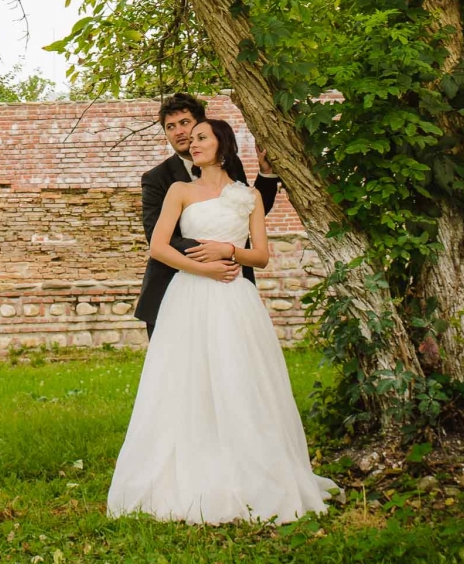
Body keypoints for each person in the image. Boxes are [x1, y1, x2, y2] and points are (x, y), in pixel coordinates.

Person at [108, 119, 336, 525]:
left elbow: (261, 256)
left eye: (200, 137)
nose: (191, 143)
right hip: (188, 297)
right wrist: (204, 269)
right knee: (185, 381)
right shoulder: (179, 190)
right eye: (187, 138)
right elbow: (159, 247)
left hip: (235, 300)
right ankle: (187, 469)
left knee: (239, 378)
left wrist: (228, 250)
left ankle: (249, 467)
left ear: (222, 144)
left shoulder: (248, 196)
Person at [134, 92, 280, 340]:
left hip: (230, 284)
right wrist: (212, 252)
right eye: (170, 127)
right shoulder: (157, 179)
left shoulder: (231, 166)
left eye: (185, 123)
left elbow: (243, 214)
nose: (179, 132)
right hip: (173, 285)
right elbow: (158, 238)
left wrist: (266, 176)